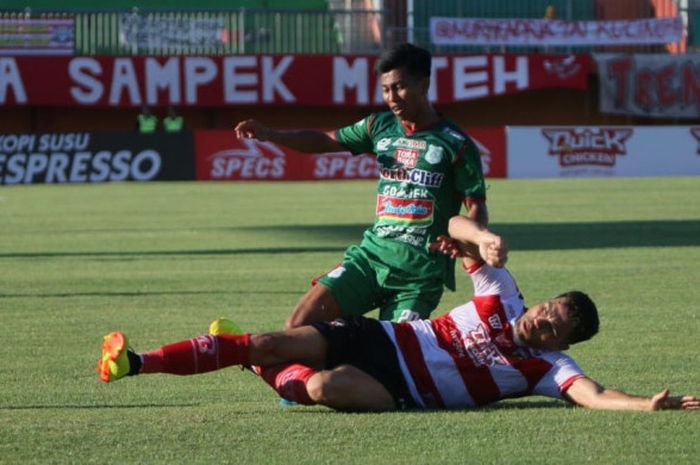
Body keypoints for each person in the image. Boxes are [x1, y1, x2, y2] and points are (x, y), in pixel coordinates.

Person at [96, 216, 699, 413]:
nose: (541, 322)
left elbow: (593, 396)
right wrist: (482, 236)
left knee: (319, 384)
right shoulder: (502, 293)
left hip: (397, 387)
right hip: (377, 334)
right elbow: (456, 229)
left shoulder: (549, 369)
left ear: (564, 340)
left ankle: (256, 364)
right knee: (262, 341)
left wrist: (644, 404)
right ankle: (135, 363)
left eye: (553, 327)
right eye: (547, 311)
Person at [234, 43, 488, 329]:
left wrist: (465, 242)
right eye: (386, 89)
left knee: (391, 358)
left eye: (400, 87)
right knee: (299, 325)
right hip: (371, 259)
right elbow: (325, 140)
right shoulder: (378, 126)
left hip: (419, 276)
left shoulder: (455, 143)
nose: (392, 98)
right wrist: (270, 134)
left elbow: (476, 205)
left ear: (424, 84)